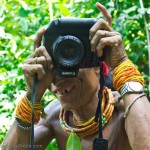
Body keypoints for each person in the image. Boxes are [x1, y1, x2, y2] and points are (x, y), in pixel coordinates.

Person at [2, 2, 150, 150]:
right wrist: (32, 95)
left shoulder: (125, 110)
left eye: (72, 60)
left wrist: (122, 63)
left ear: (97, 65)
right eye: (54, 64)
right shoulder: (54, 116)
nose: (59, 77)